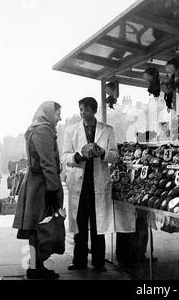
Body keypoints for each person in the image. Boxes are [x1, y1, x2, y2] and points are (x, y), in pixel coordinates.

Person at [62, 97, 118, 272]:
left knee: (98, 225)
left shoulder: (107, 130)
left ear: (94, 110)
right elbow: (64, 156)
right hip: (79, 184)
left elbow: (115, 156)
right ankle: (79, 261)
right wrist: (78, 156)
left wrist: (102, 153)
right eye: (80, 109)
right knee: (79, 225)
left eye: (85, 110)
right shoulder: (71, 131)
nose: (82, 113)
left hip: (99, 183)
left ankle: (99, 263)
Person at [13, 101, 63, 279]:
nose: (59, 118)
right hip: (42, 186)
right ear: (49, 113)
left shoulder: (34, 128)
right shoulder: (44, 131)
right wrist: (52, 190)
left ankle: (35, 266)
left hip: (35, 184)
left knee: (35, 229)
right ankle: (36, 268)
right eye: (57, 113)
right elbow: (48, 163)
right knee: (43, 228)